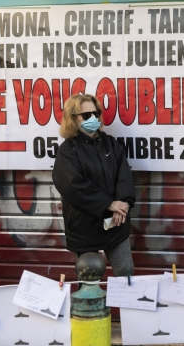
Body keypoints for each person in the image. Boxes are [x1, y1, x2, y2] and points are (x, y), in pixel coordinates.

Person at [52, 94, 135, 277]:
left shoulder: (111, 144)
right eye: (86, 115)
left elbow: (124, 177)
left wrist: (123, 204)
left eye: (96, 113)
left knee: (126, 273)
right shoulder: (68, 150)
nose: (93, 118)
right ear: (73, 119)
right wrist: (108, 204)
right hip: (85, 228)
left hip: (116, 223)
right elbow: (73, 185)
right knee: (89, 279)